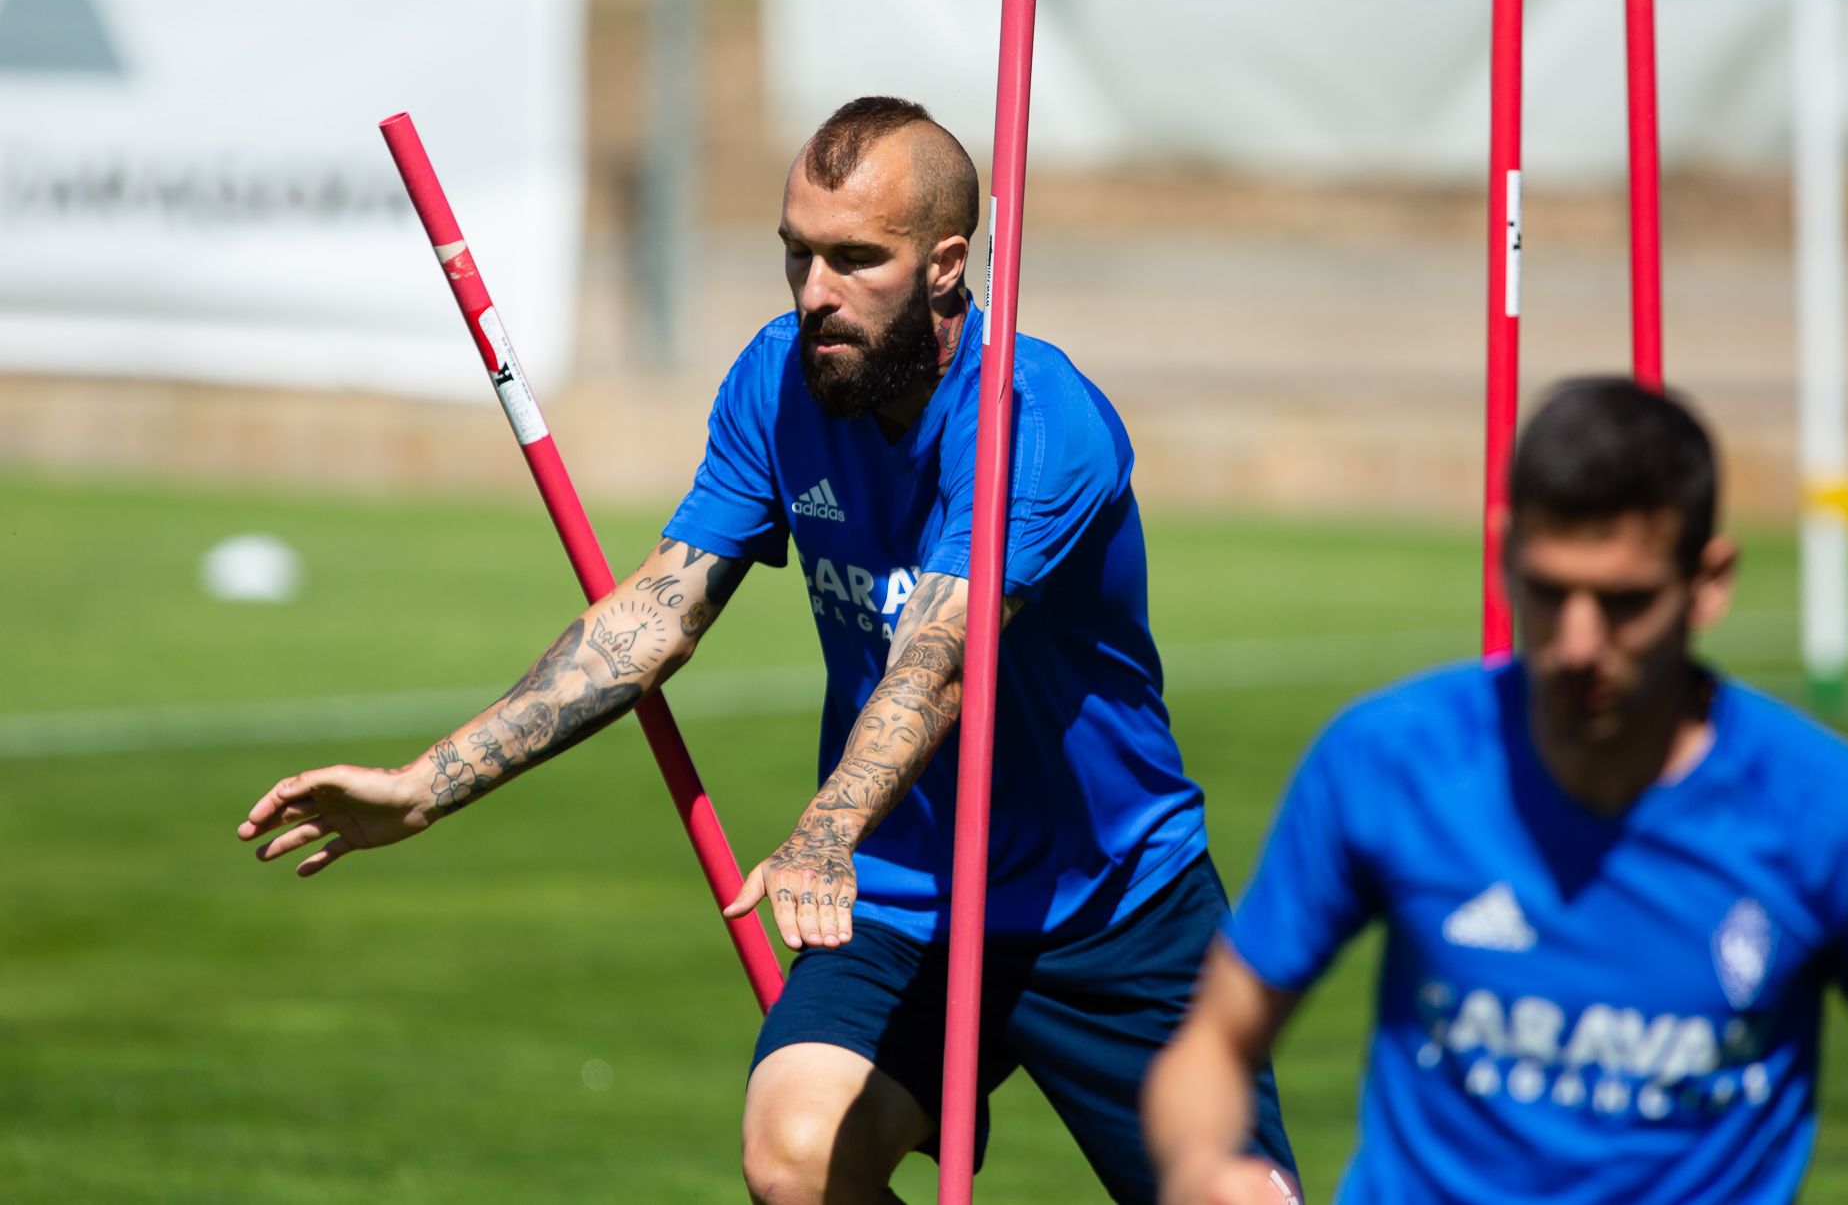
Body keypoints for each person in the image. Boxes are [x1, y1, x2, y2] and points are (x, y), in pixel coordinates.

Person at [239, 96, 1294, 1205]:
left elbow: (939, 668)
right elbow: (653, 617)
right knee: (794, 1158)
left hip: (1110, 901)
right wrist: (424, 787)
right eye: (796, 256)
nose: (815, 295)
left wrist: (826, 832)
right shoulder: (778, 381)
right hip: (901, 901)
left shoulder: (1037, 418)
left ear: (945, 265)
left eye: (854, 260)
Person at [1144, 378, 1848, 1204]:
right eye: (1548, 590)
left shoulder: (1836, 817)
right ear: (1502, 556)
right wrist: (1204, 1168)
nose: (1578, 643)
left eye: (1625, 602)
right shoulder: (1388, 761)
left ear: (1709, 581)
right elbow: (1213, 1044)